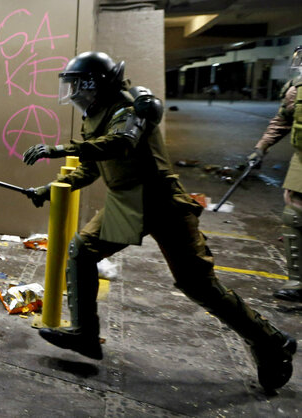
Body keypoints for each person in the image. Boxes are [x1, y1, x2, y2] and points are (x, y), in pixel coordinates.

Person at [21, 51, 296, 391]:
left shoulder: (128, 108)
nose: (73, 91)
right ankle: (85, 336)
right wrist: (49, 189)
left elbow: (120, 144)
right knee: (83, 250)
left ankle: (271, 341)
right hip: (128, 201)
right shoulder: (95, 114)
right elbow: (91, 168)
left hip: (162, 202)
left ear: (94, 83)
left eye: (77, 84)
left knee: (198, 284)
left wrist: (59, 149)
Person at [247, 45, 302, 303]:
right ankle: (298, 281)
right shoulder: (297, 88)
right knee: (294, 216)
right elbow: (282, 121)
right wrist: (261, 148)